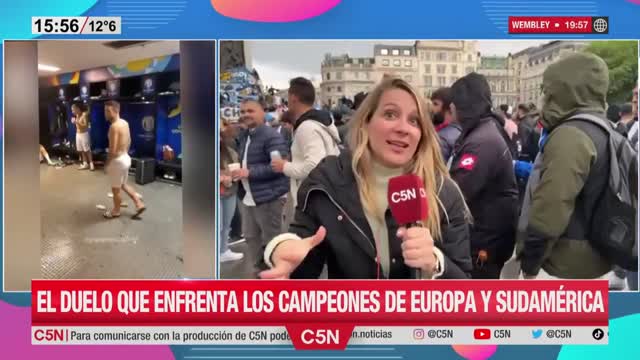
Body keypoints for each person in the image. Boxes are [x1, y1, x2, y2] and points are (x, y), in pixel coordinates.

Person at [259, 77, 472, 280]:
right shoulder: (327, 182)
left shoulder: (443, 192)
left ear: (422, 134)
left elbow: (464, 291)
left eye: (414, 120)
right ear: (366, 123)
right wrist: (281, 254)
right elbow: (302, 252)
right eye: (390, 114)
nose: (402, 128)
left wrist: (436, 263)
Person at [515, 52, 614, 280]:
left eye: (549, 91)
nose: (544, 98)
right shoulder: (603, 128)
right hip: (595, 258)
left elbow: (550, 209)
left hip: (562, 267)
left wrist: (530, 265)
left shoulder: (570, 135)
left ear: (565, 91)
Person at [448, 73, 519, 279]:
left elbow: (456, 193)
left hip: (486, 237)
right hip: (492, 231)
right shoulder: (487, 127)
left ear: (458, 106)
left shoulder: (481, 142)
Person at [271, 77, 341, 227]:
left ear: (293, 98)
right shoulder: (321, 122)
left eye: (288, 98)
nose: (287, 102)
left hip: (310, 199)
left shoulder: (307, 127)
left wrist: (284, 166)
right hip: (323, 195)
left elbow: (313, 166)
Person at [232, 99, 289, 273]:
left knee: (272, 240)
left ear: (262, 113)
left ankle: (276, 275)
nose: (245, 115)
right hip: (249, 197)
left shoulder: (271, 136)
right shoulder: (246, 135)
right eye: (242, 112)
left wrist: (249, 172)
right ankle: (260, 271)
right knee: (250, 237)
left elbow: (279, 166)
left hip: (269, 198)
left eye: (250, 111)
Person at [103, 100, 146, 219]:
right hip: (126, 158)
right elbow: (129, 140)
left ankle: (116, 211)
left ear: (116, 111)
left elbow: (112, 151)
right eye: (105, 110)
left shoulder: (114, 127)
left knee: (115, 190)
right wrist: (124, 152)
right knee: (123, 185)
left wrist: (107, 164)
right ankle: (138, 202)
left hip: (117, 162)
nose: (105, 113)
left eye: (108, 111)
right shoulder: (125, 123)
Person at [219, 120, 244, 263]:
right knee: (217, 225)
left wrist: (233, 176)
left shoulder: (230, 152)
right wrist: (220, 178)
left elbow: (236, 170)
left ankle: (223, 251)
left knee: (226, 224)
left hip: (229, 194)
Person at [430, 87, 461, 161]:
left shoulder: (442, 139)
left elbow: (433, 170)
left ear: (449, 108)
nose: (431, 108)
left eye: (435, 104)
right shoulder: (461, 131)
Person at [72, 103, 94, 171]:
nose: (72, 112)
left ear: (77, 109)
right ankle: (85, 164)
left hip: (84, 134)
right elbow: (77, 125)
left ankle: (91, 164)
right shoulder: (76, 115)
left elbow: (85, 125)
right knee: (81, 150)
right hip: (78, 134)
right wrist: (75, 122)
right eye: (72, 110)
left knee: (87, 150)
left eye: (73, 110)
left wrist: (76, 122)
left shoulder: (84, 115)